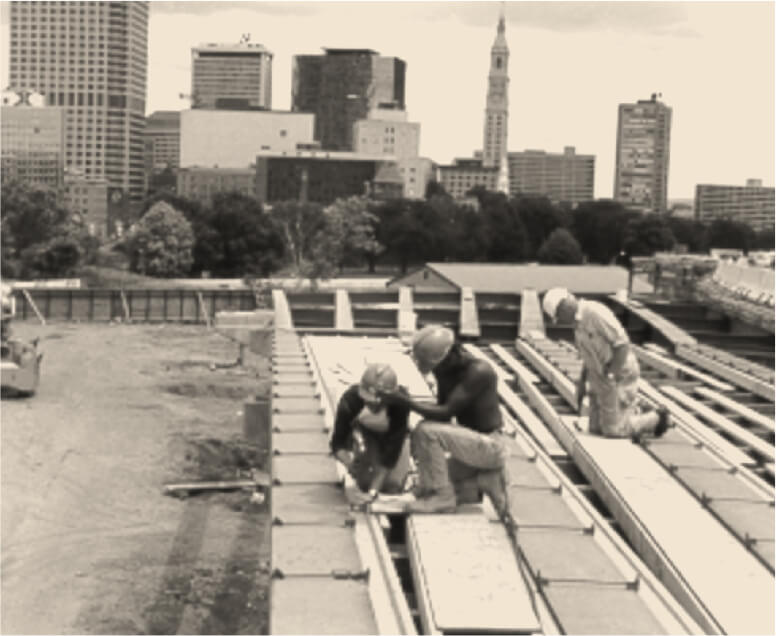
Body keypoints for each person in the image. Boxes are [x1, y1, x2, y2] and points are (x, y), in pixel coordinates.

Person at [379, 325, 511, 517]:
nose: (435, 371)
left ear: (450, 355)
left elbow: (446, 411)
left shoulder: (479, 371)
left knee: (426, 431)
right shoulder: (446, 371)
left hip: (491, 446)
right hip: (472, 447)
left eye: (436, 366)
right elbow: (443, 417)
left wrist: (406, 402)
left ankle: (443, 500)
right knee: (427, 483)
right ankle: (484, 479)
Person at [542, 288, 671, 440]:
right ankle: (634, 410)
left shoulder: (594, 313)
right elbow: (589, 357)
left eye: (559, 317)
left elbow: (622, 344)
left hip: (619, 371)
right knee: (595, 429)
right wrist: (582, 383)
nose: (562, 321)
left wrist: (612, 375)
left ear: (564, 307)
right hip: (600, 376)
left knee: (613, 431)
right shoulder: (578, 325)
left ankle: (657, 418)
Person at [330, 363, 411, 505]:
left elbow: (391, 453)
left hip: (393, 437)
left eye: (379, 403)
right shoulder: (350, 401)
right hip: (366, 434)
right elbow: (337, 443)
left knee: (393, 484)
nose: (373, 405)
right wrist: (350, 464)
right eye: (369, 401)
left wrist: (373, 492)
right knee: (365, 482)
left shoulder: (400, 404)